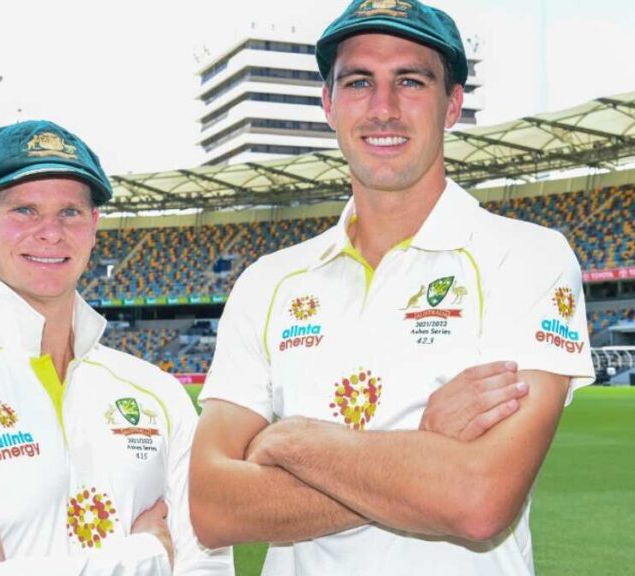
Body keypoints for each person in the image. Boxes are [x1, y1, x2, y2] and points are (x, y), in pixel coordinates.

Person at [189, 1, 595, 574]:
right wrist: (424, 444)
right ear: (328, 104)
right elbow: (211, 508)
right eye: (359, 82)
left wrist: (293, 443)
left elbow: (479, 501)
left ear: (452, 104)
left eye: (410, 81)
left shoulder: (527, 257)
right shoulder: (268, 282)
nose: (383, 108)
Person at [0, 120, 232, 575]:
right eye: (24, 210)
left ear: (94, 225)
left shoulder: (159, 394)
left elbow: (207, 567)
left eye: (70, 211)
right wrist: (147, 556)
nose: (51, 232)